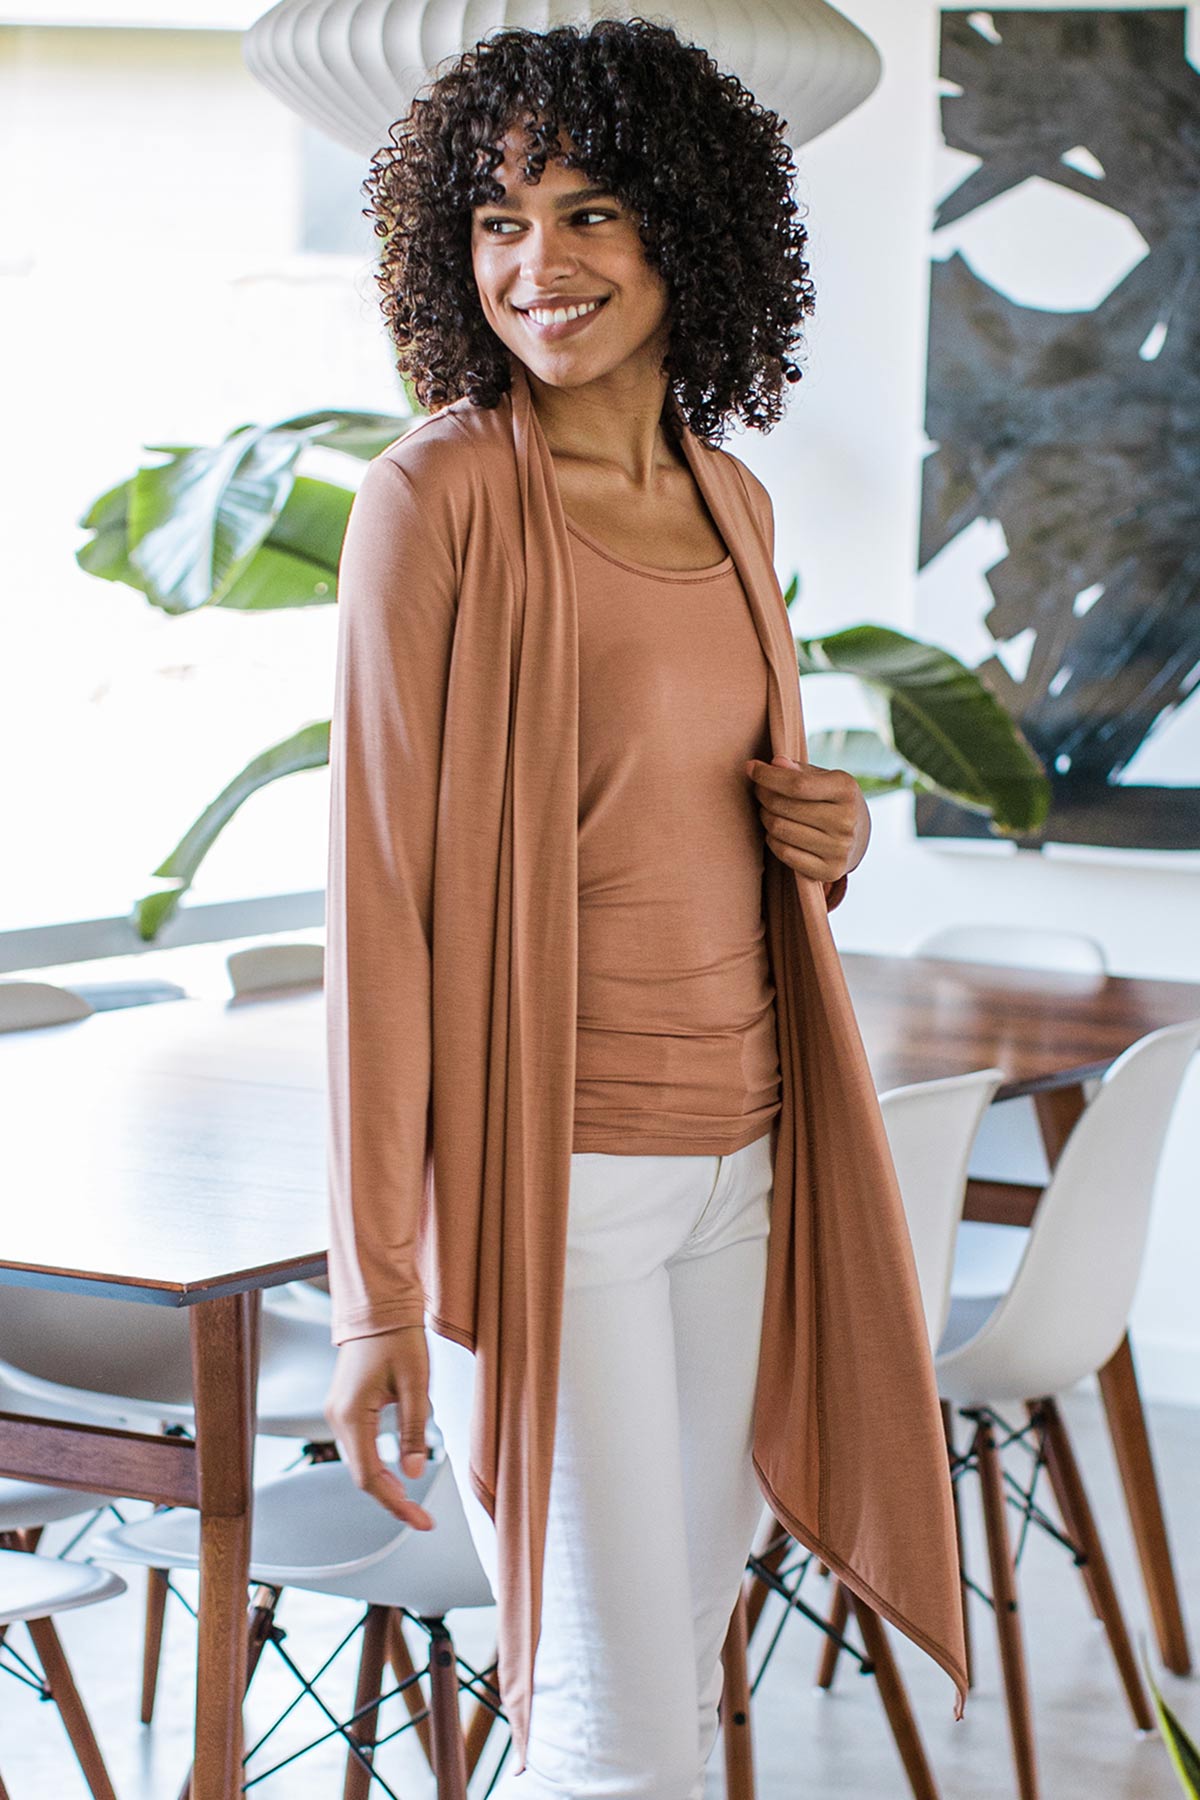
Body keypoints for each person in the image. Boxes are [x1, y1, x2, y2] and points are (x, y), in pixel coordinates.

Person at [322, 18, 966, 1798]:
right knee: (609, 1722)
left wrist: (823, 834)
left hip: (746, 1164)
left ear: (688, 228)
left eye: (590, 211)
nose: (542, 266)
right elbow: (382, 907)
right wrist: (378, 1294)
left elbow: (718, 827)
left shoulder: (730, 498)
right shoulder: (435, 500)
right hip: (564, 1186)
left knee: (674, 1681)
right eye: (500, 220)